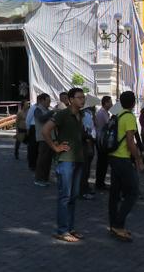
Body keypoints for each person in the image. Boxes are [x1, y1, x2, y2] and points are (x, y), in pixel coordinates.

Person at [41, 87, 86, 243]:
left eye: (83, 97)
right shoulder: (62, 114)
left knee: (73, 196)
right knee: (65, 196)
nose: (82, 100)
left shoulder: (81, 115)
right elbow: (45, 130)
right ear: (71, 99)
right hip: (65, 160)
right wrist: (55, 147)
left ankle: (70, 228)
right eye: (79, 97)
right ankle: (62, 230)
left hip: (78, 159)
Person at [107, 91, 142, 242]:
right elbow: (130, 141)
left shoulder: (118, 115)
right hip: (123, 158)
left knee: (115, 193)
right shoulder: (129, 117)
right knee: (132, 192)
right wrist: (138, 158)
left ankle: (113, 224)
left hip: (113, 156)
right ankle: (118, 224)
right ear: (133, 103)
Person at [79, 96, 98, 200]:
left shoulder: (89, 114)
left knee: (86, 168)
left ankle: (85, 187)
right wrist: (90, 144)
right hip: (87, 143)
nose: (95, 107)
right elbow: (87, 131)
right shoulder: (85, 115)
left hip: (89, 142)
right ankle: (82, 190)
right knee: (84, 168)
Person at [32, 93, 54, 186]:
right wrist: (53, 112)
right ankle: (39, 179)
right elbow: (42, 119)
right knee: (42, 159)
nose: (49, 103)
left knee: (48, 160)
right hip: (43, 138)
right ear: (42, 101)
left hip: (50, 138)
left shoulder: (47, 110)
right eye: (48, 101)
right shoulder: (37, 110)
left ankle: (45, 178)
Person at [94, 96, 112, 190]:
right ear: (106, 103)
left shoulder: (104, 112)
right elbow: (108, 125)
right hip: (102, 140)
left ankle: (100, 182)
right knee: (102, 162)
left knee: (103, 162)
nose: (111, 104)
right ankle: (100, 183)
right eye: (110, 102)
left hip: (102, 139)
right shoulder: (102, 112)